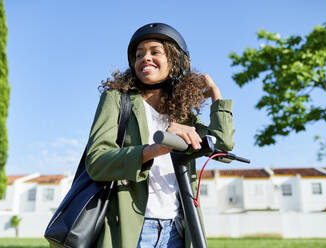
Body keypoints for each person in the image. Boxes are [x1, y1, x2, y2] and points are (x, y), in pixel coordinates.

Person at [85, 23, 234, 248]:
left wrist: (216, 95)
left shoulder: (181, 113)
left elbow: (222, 148)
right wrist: (155, 148)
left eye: (155, 52)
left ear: (175, 61)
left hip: (178, 230)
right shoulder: (117, 99)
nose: (145, 58)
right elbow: (96, 162)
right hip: (133, 229)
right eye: (139, 54)